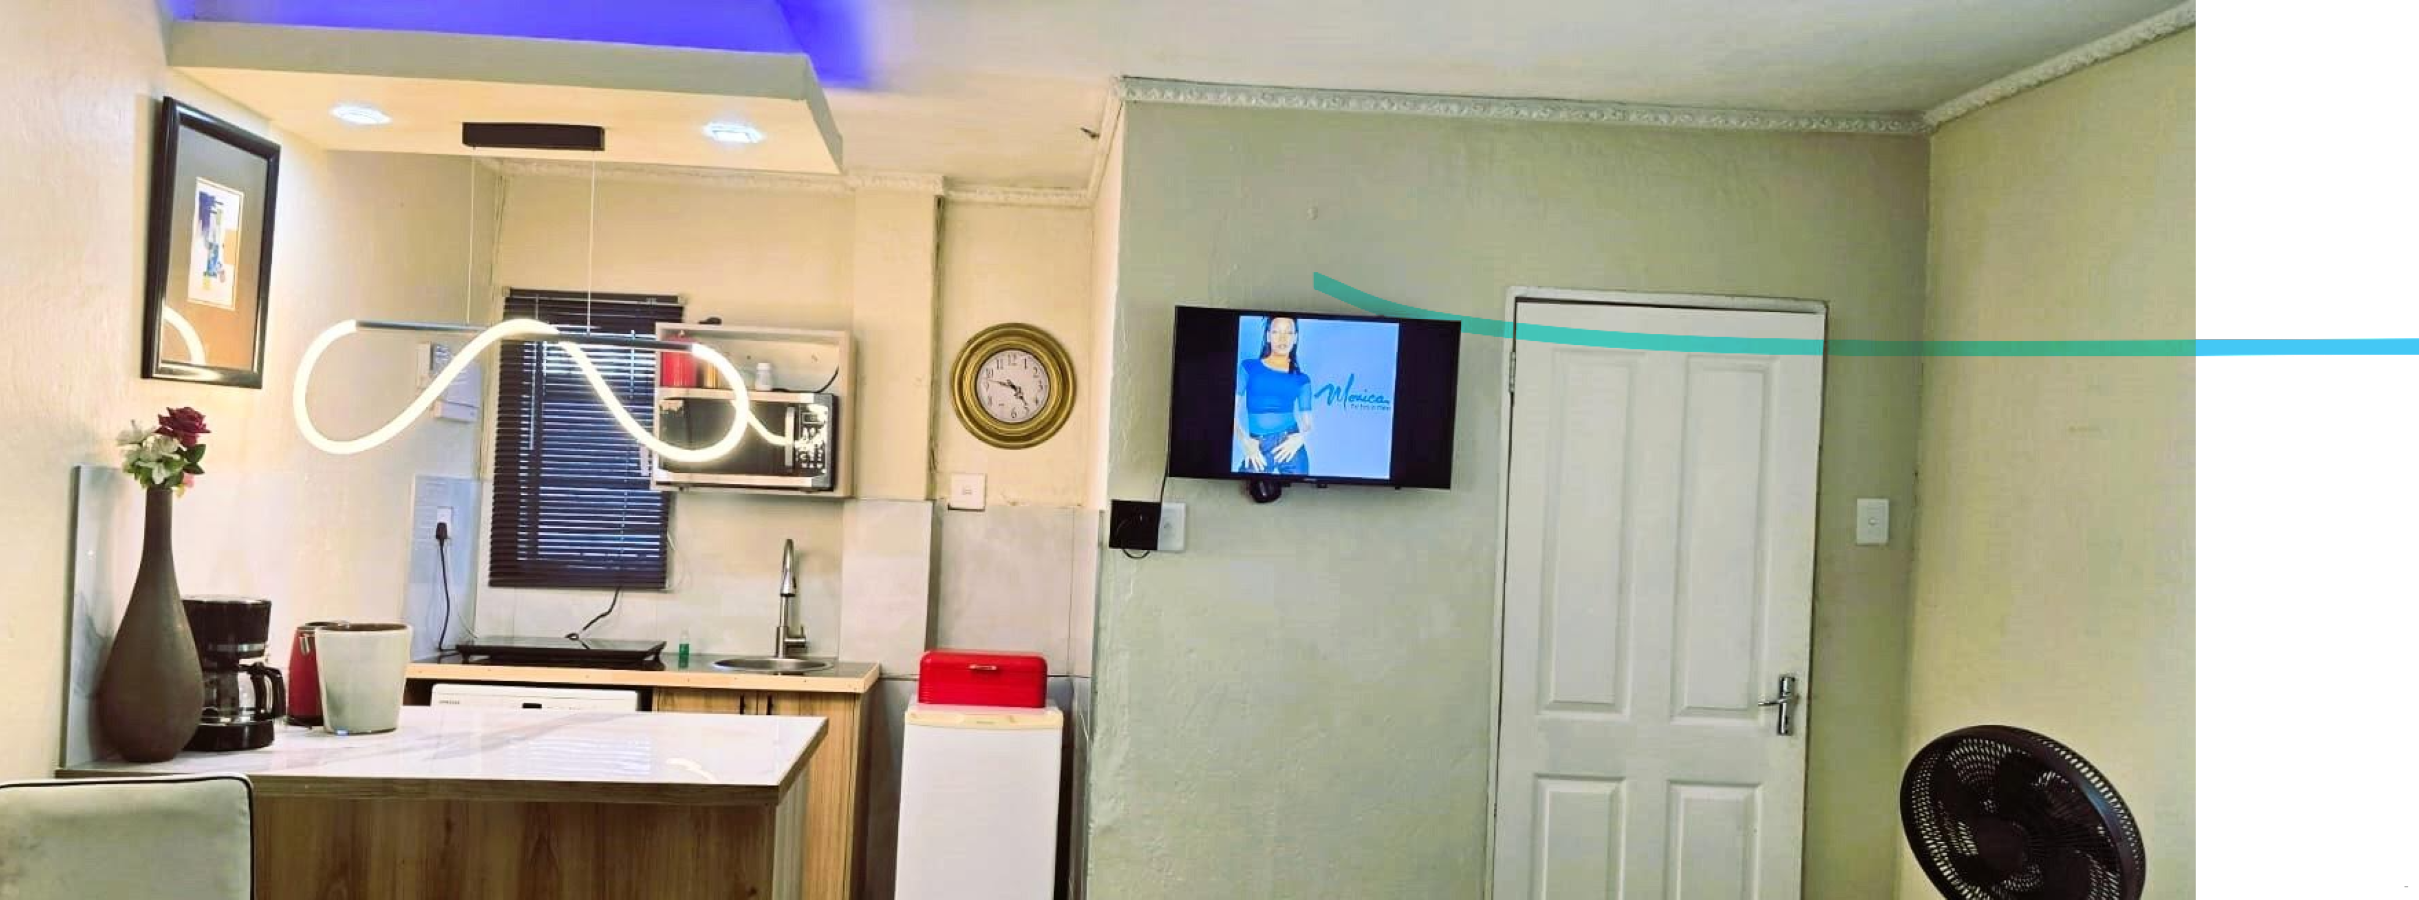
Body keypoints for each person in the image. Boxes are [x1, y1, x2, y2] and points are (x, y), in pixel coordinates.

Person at [1233, 316, 1314, 475]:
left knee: (1301, 489)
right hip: (1258, 445)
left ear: (1295, 338)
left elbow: (1308, 424)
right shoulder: (1249, 368)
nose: (1282, 338)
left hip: (1290, 445)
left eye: (1288, 332)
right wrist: (1244, 441)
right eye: (1276, 332)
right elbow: (1230, 412)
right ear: (1268, 336)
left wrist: (1301, 438)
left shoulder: (1302, 380)